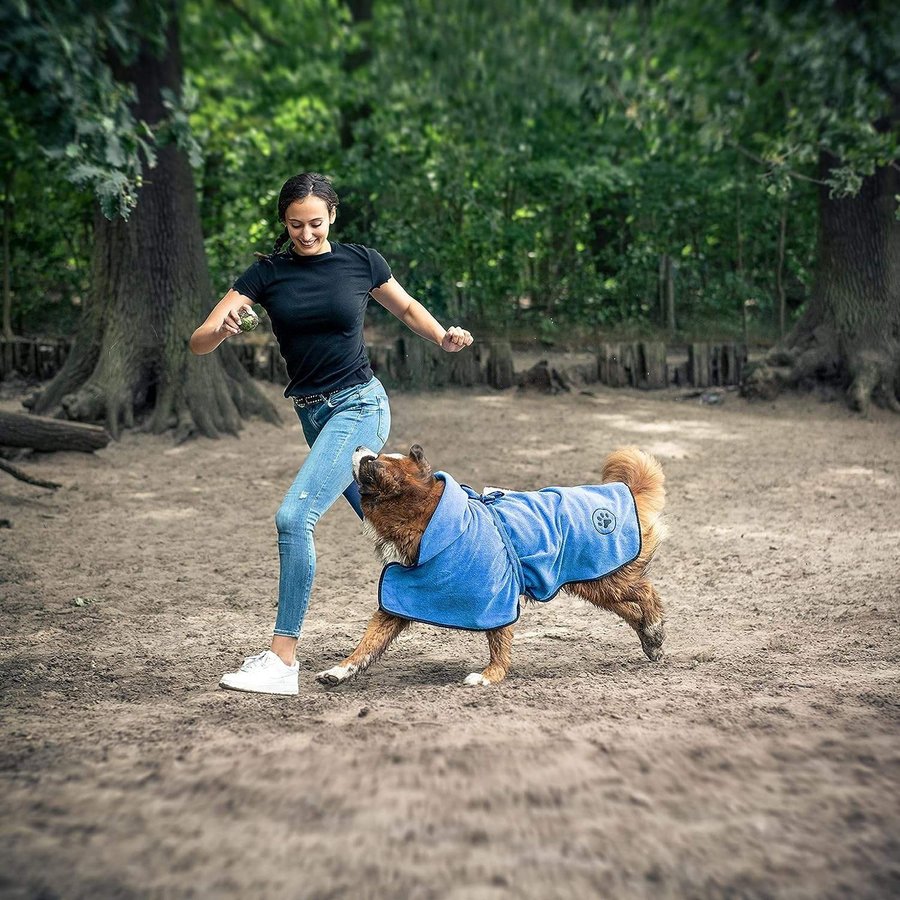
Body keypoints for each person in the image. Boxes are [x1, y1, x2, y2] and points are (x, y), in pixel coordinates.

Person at [189, 172, 473, 695]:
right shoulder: (266, 274)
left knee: (294, 517)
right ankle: (474, 565)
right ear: (284, 223)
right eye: (295, 224)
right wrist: (222, 330)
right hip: (313, 416)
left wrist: (443, 336)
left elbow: (406, 307)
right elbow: (199, 340)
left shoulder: (361, 262)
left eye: (315, 223)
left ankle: (282, 660)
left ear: (332, 218)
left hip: (359, 406)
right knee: (388, 520)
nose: (306, 234)